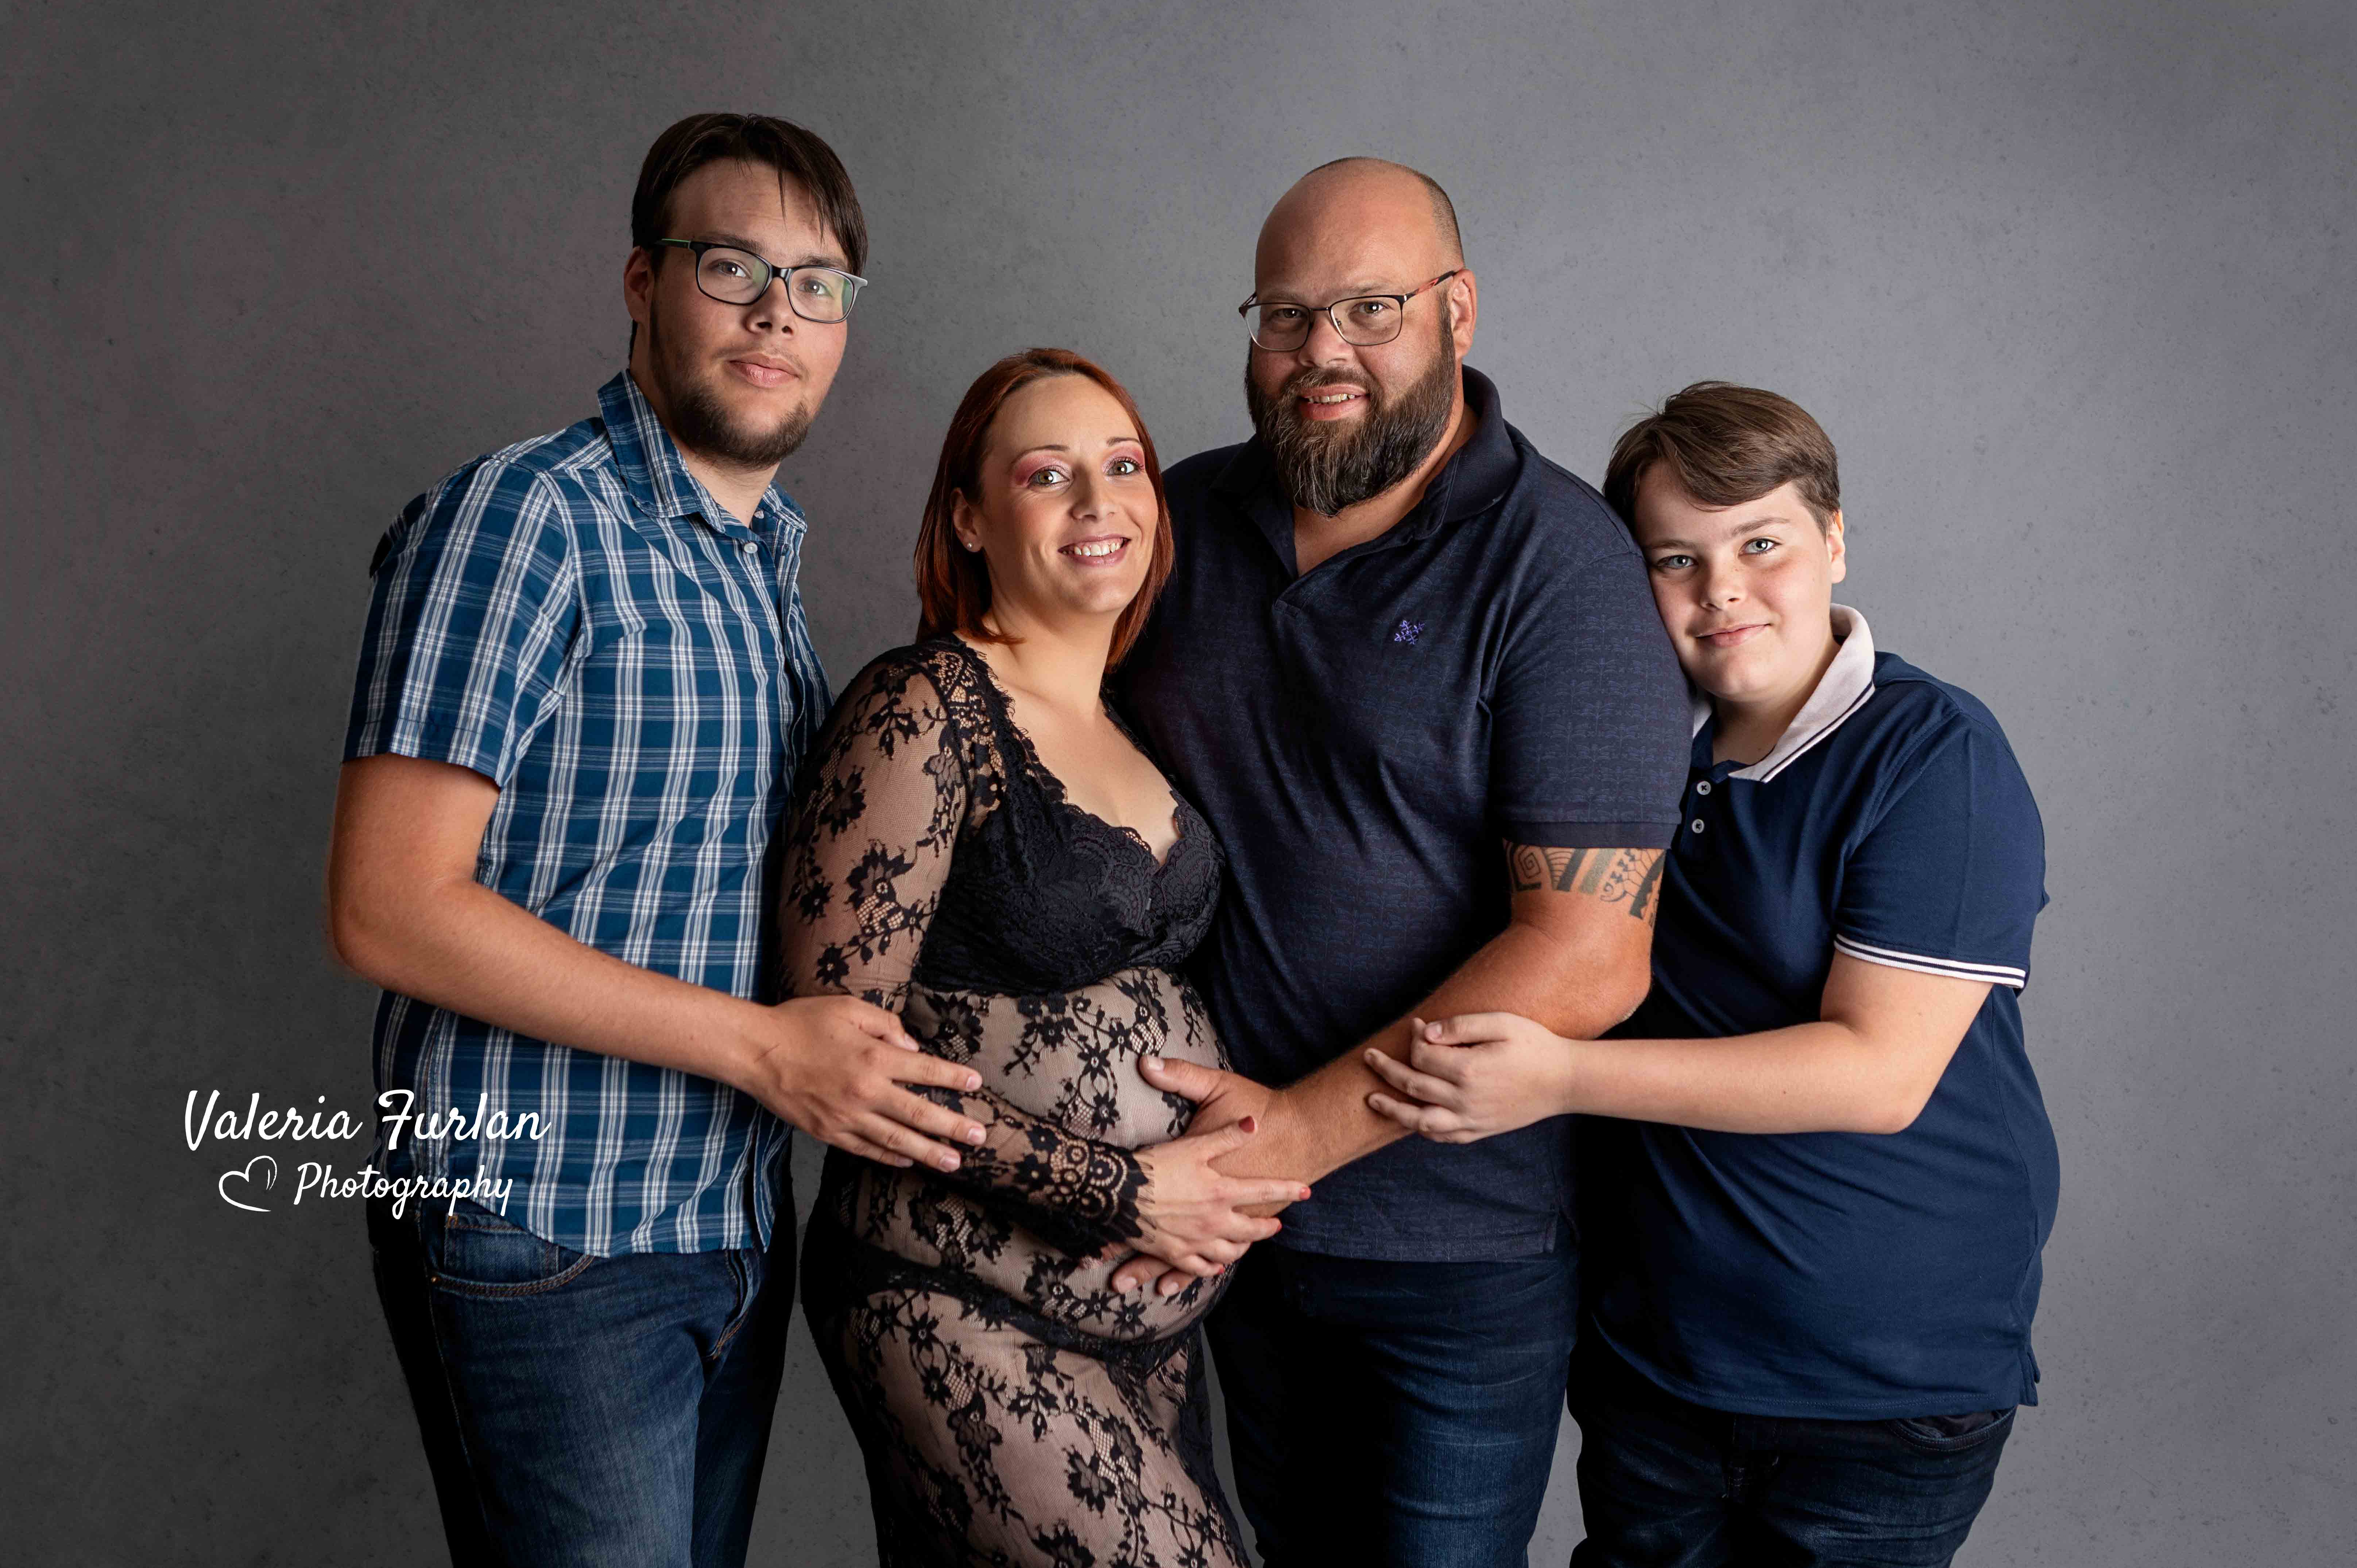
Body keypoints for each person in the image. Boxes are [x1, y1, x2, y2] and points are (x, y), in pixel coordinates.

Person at [327, 114, 994, 1567]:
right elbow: (388, 907)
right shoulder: (526, 520)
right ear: (642, 282)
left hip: (722, 1219)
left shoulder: (763, 559)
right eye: (732, 264)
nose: (777, 312)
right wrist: (765, 1051)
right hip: (546, 1229)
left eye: (817, 282)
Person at [1365, 383, 2057, 1567]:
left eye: (1762, 543)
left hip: (1880, 1379)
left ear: (1834, 538)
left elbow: (1878, 1073)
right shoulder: (1632, 752)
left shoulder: (1931, 753)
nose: (1721, 587)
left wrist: (1564, 1076)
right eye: (1674, 558)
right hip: (1663, 1363)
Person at [1111, 158, 1692, 1564]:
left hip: (1455, 1256)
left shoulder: (1560, 564)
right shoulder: (1174, 525)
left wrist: (1277, 1145)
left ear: (1460, 310)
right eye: (1286, 314)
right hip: (1223, 1237)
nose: (1323, 353)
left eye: (1372, 307)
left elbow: (1594, 956)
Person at [781, 347, 1307, 1567]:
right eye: (1046, 473)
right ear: (968, 517)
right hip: (943, 1290)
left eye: (1123, 465)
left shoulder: (1128, 726)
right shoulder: (924, 706)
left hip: (1141, 1321)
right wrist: (1126, 1188)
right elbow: (836, 1059)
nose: (1098, 499)